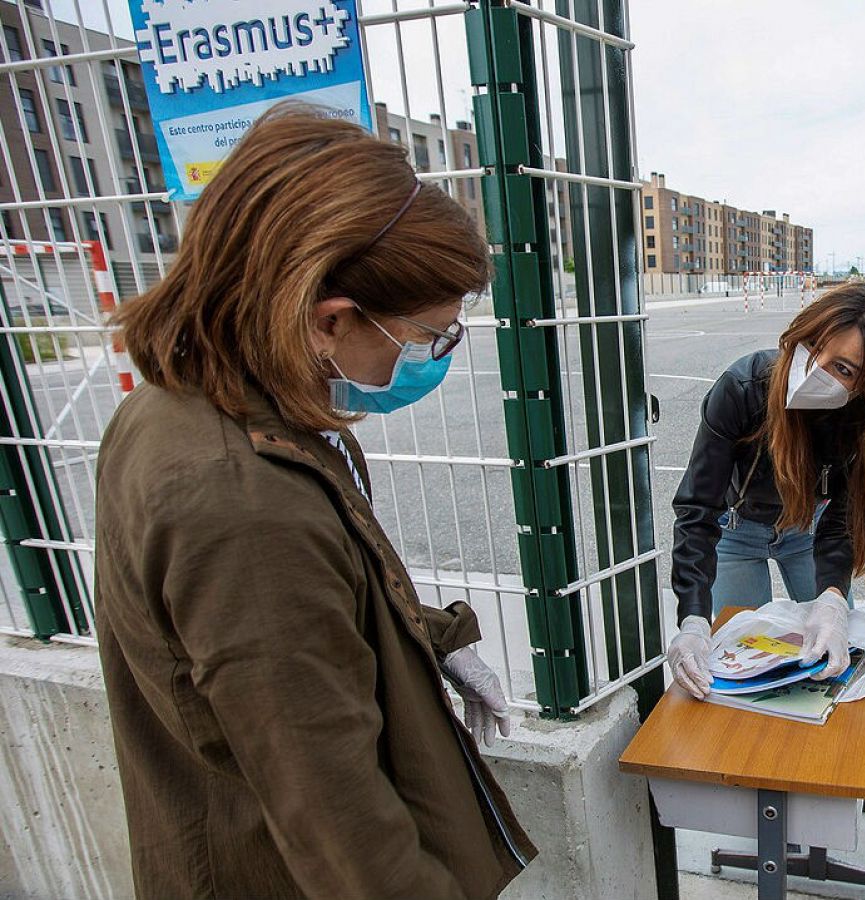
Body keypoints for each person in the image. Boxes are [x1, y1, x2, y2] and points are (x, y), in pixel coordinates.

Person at [94, 104, 536, 899]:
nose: (440, 354)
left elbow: (307, 610)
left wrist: (430, 639)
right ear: (331, 320)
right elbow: (340, 819)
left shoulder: (215, 405)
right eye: (434, 335)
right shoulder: (235, 499)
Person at [665, 284, 865, 700]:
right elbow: (697, 507)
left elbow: (844, 517)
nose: (816, 369)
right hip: (735, 531)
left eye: (844, 370)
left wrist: (832, 596)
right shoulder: (742, 387)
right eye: (814, 346)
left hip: (809, 531)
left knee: (832, 658)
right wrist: (692, 618)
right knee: (738, 672)